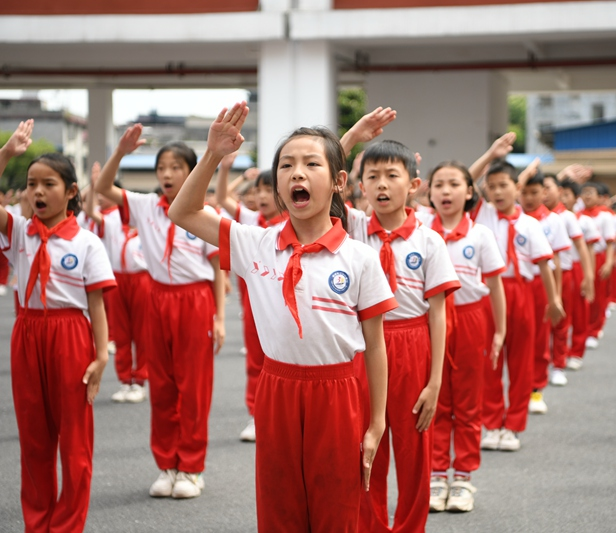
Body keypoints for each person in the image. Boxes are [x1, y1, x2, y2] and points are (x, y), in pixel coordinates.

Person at [169, 103, 395, 532]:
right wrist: (213, 155)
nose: (297, 173)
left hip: (339, 391)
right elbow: (182, 212)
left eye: (311, 164)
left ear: (339, 182)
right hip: (277, 390)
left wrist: (377, 421)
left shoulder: (360, 258)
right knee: (280, 505)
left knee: (337, 506)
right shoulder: (255, 243)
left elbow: (376, 345)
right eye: (287, 165)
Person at [95, 124, 226, 499]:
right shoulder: (144, 206)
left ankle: (192, 468)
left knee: (194, 387)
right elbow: (104, 190)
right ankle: (167, 465)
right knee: (163, 386)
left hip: (194, 299)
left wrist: (218, 317)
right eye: (162, 168)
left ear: (190, 171)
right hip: (157, 297)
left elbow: (218, 267)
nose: (167, 175)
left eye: (176, 167)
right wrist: (118, 153)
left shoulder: (204, 212)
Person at [0, 120, 116, 532]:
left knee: (75, 442)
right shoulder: (18, 233)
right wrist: (8, 154)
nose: (36, 192)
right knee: (33, 439)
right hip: (27, 332)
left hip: (70, 335)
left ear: (70, 192)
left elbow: (96, 303)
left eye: (48, 184)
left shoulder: (86, 242)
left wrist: (101, 357)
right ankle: (39, 522)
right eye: (31, 184)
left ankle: (67, 524)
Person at [346, 139, 460, 533]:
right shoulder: (354, 229)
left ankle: (411, 527)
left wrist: (435, 380)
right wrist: (356, 133)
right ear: (359, 185)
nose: (381, 185)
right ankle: (372, 526)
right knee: (367, 447)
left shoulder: (429, 240)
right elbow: (322, 184)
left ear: (413, 185)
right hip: (365, 344)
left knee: (414, 454)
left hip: (412, 343)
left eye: (392, 176)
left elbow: (439, 313)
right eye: (372, 176)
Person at [420, 161, 507, 513]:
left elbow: (495, 285)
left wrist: (500, 330)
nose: (445, 191)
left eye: (454, 184)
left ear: (469, 192)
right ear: (429, 192)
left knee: (469, 401)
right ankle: (438, 473)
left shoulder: (481, 234)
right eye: (438, 184)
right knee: (435, 398)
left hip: (471, 318)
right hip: (432, 319)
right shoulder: (423, 230)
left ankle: (464, 477)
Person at [471, 158, 563, 450]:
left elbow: (545, 265)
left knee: (521, 360)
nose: (498, 192)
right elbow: (466, 180)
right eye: (492, 186)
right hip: (489, 290)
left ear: (517, 188)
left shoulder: (530, 224)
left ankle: (513, 425)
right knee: (490, 360)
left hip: (521, 292)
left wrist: (554, 300)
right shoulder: (482, 215)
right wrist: (491, 154)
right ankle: (493, 423)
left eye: (504, 185)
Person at [216, 153, 287, 442]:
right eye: (258, 190)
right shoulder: (250, 220)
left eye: (269, 189)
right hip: (253, 302)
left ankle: (281, 415)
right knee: (256, 359)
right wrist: (226, 168)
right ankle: (257, 415)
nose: (261, 196)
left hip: (284, 303)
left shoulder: (292, 223)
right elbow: (221, 197)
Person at [84, 162, 152, 404]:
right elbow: (90, 211)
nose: (102, 199)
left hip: (142, 279)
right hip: (117, 279)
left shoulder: (144, 219)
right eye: (101, 196)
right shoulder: (110, 218)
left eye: (106, 194)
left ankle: (140, 380)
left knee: (142, 332)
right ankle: (125, 380)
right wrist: (94, 186)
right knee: (121, 332)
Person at [519, 167, 571, 406]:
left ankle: (536, 389)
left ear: (544, 193)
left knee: (539, 338)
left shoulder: (554, 221)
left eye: (535, 192)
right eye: (525, 192)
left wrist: (556, 296)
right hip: (516, 285)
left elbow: (556, 261)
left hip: (541, 283)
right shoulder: (513, 216)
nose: (529, 198)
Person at [541, 174, 595, 374]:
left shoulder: (566, 217)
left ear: (559, 191)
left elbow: (582, 247)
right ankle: (547, 358)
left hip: (564, 271)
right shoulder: (533, 216)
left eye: (549, 188)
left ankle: (562, 361)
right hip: (541, 274)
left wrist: (589, 277)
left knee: (565, 318)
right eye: (542, 188)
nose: (545, 193)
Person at [560, 179, 600, 369]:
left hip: (577, 267)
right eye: (561, 194)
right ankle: (559, 352)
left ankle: (576, 351)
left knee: (579, 311)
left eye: (566, 195)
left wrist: (588, 275)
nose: (562, 198)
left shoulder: (584, 221)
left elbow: (589, 250)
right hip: (559, 268)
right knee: (562, 312)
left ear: (576, 198)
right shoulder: (554, 217)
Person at [579, 182, 616, 349]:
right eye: (584, 192)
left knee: (598, 295)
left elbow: (610, 242)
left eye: (591, 192)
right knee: (582, 294)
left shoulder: (605, 216)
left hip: (599, 256)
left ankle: (594, 330)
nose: (587, 196)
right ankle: (583, 328)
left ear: (599, 197)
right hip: (582, 258)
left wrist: (608, 263)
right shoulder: (577, 215)